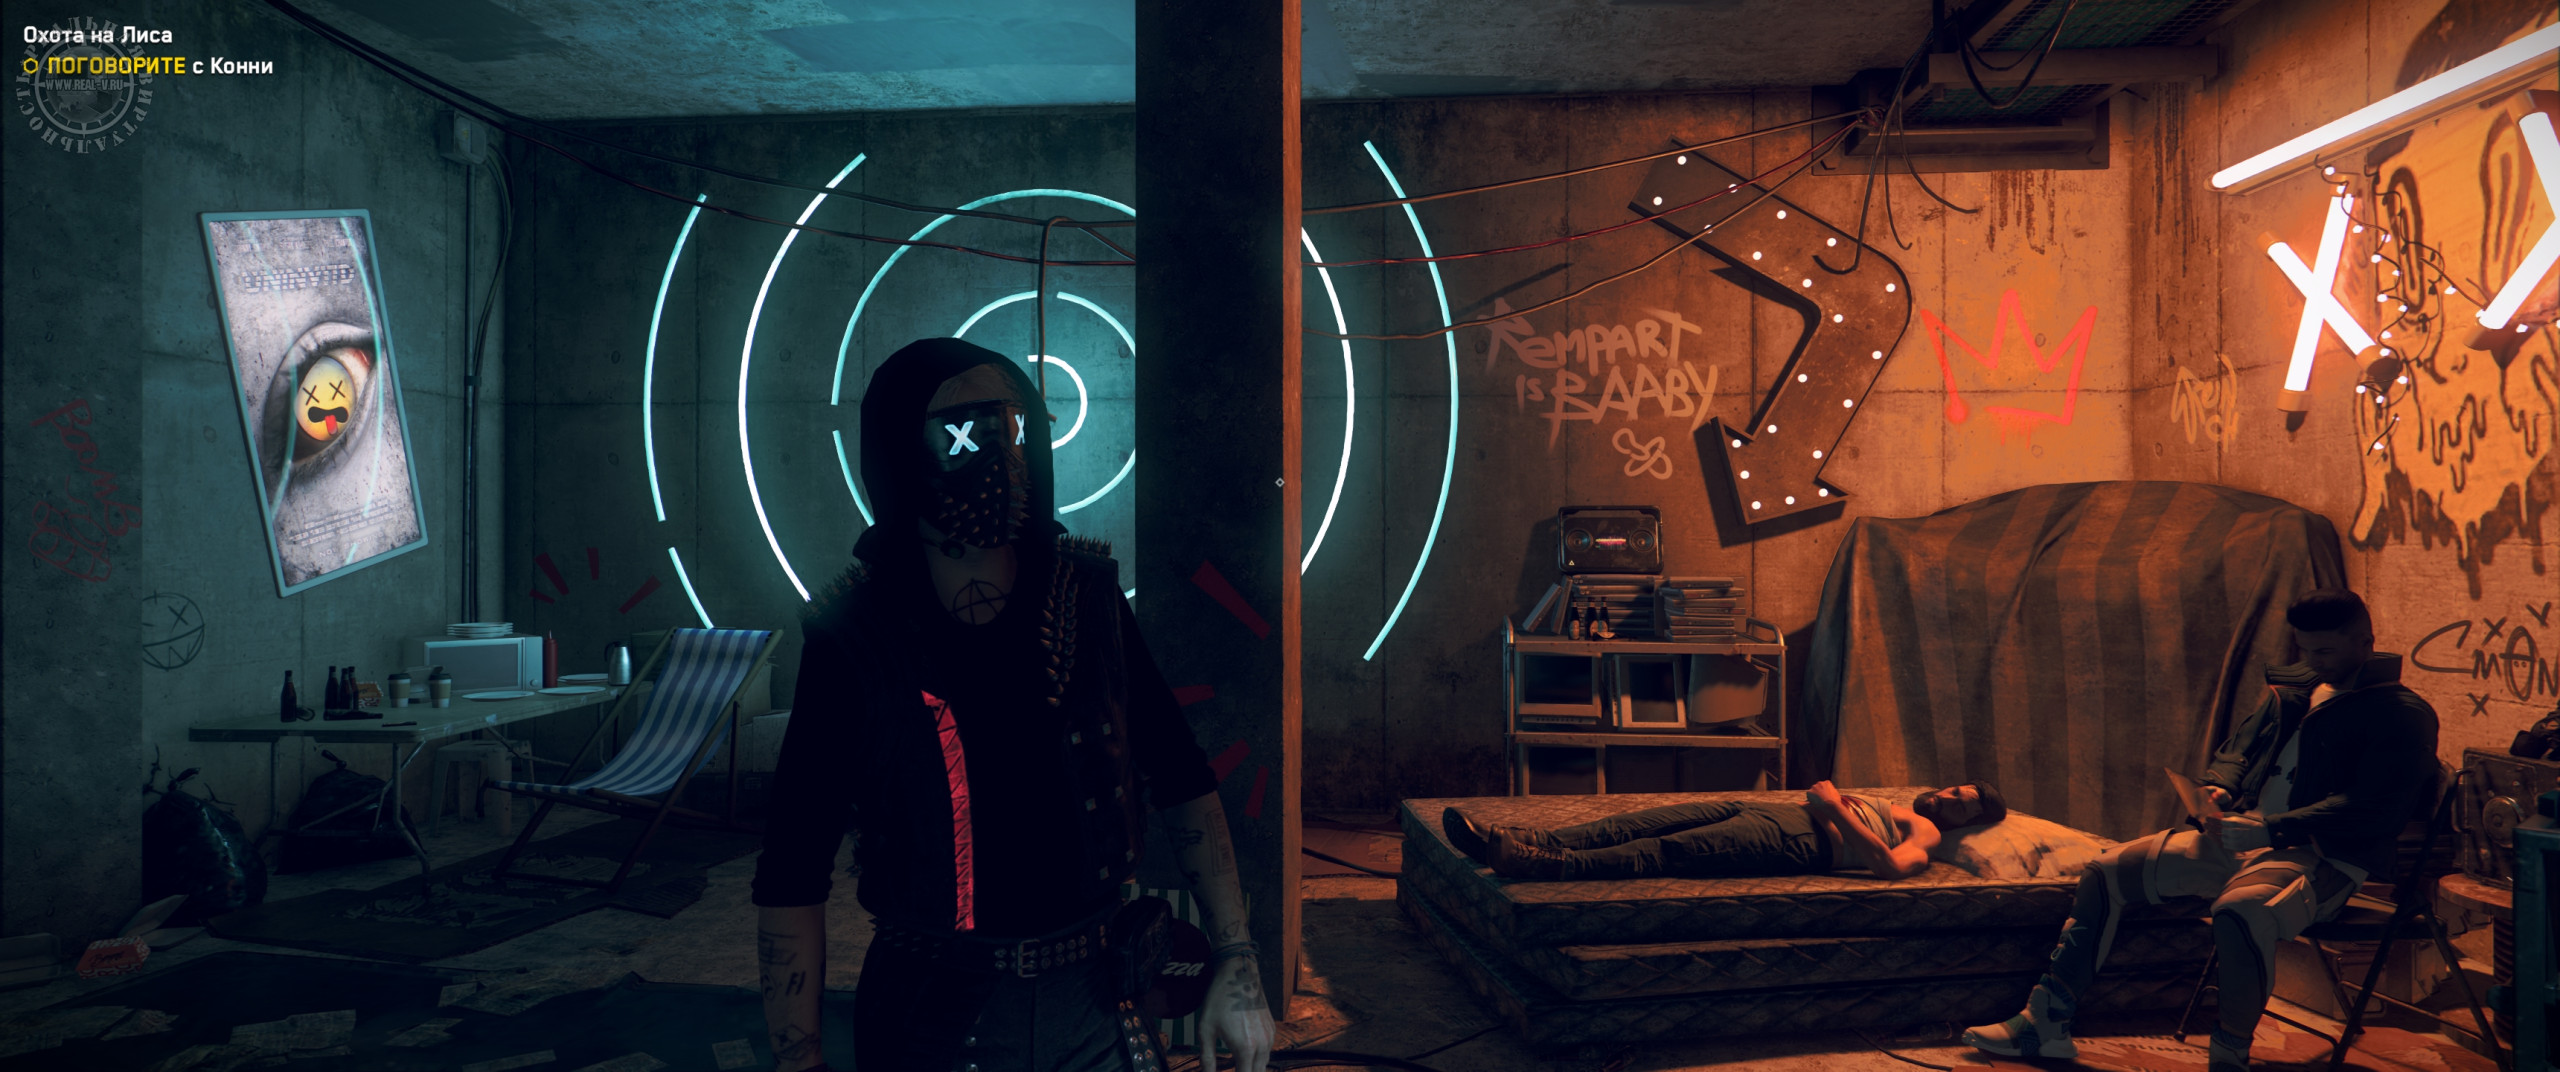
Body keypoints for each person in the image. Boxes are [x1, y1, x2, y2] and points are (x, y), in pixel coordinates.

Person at [751, 338, 1276, 1072]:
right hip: (931, 1012)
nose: (998, 452)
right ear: (901, 449)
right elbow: (794, 863)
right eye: (965, 431)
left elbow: (1180, 773)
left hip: (1098, 997)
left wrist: (1236, 959)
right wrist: (798, 1060)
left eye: (1015, 425)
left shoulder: (1085, 596)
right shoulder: (854, 633)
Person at [1963, 589, 2439, 1072]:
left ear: (2365, 642)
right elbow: (2238, 752)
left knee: (2240, 911)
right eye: (2305, 649)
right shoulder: (2295, 690)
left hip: (2323, 857)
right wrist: (2221, 788)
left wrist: (2270, 831)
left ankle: (2229, 1057)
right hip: (2241, 838)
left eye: (2326, 651)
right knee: (2107, 871)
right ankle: (2044, 1023)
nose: (2314, 662)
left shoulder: (2401, 713)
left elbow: (2374, 808)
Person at [1442, 781, 2005, 881]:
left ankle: (1541, 864)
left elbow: (1890, 867)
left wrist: (1835, 809)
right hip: (1775, 814)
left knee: (1663, 851)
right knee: (1635, 822)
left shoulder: (1928, 835)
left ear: (1966, 825)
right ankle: (1509, 838)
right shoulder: (1906, 803)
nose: (1947, 796)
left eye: (1961, 805)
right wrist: (1830, 801)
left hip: (1800, 843)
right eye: (1955, 789)